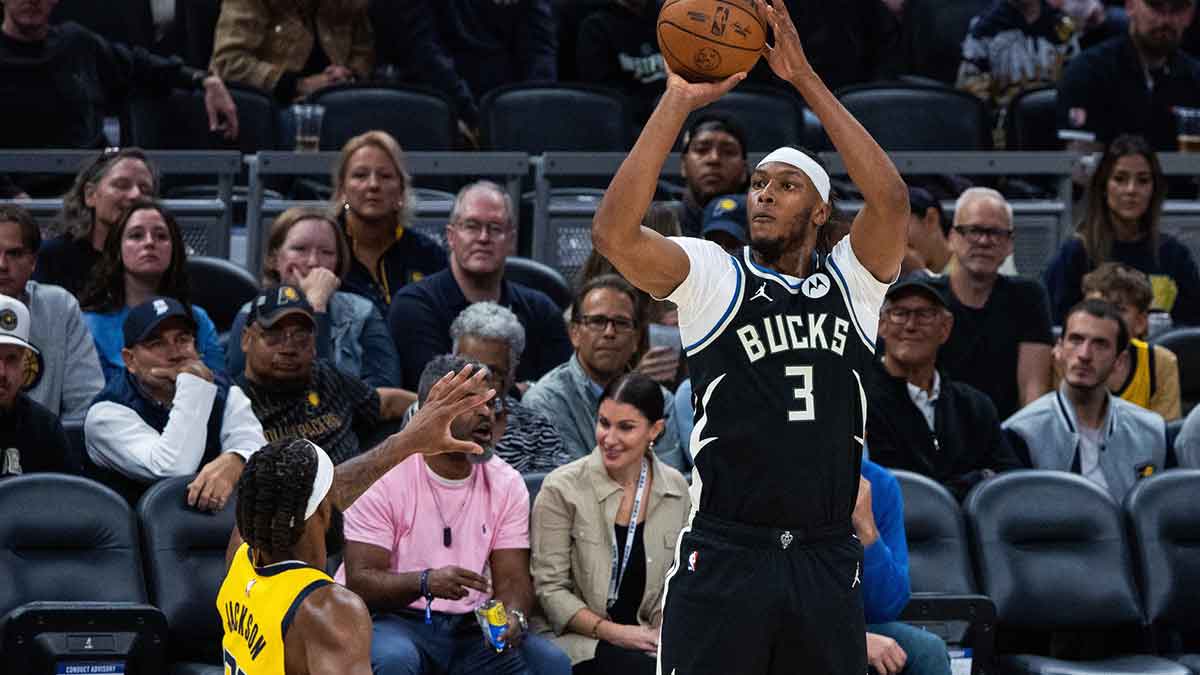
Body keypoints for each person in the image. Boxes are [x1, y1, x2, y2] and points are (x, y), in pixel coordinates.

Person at [589, 0, 910, 670]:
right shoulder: (715, 273)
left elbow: (892, 203)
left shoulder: (856, 282)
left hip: (825, 553)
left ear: (821, 210)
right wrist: (676, 100)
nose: (763, 193)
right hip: (729, 550)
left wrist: (805, 80)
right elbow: (614, 235)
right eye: (759, 181)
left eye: (786, 185)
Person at [339, 354, 572, 675]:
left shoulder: (506, 482)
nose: (485, 414)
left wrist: (513, 617)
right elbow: (360, 581)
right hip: (392, 618)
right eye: (469, 403)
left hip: (469, 625)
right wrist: (425, 582)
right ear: (428, 413)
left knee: (551, 663)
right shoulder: (383, 476)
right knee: (396, 659)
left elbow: (513, 578)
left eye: (491, 404)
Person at [530, 373, 690, 674]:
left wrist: (662, 632)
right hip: (577, 640)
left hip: (647, 637)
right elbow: (550, 591)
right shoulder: (562, 488)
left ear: (655, 430)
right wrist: (622, 635)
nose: (610, 438)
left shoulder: (676, 489)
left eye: (626, 427)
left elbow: (678, 580)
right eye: (604, 423)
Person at [0, 0, 237, 194]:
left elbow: (142, 65)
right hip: (13, 199)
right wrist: (11, 195)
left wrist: (205, 80)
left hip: (87, 192)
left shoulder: (76, 44)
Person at [389, 180, 572, 390]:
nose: (483, 238)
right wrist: (523, 391)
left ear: (511, 239)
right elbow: (438, 393)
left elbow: (560, 393)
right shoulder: (414, 306)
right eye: (472, 226)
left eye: (495, 228)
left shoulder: (542, 310)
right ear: (451, 236)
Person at [84, 296, 264, 507]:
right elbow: (173, 469)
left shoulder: (225, 391)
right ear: (130, 360)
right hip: (137, 533)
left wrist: (237, 460)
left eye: (183, 339)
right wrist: (193, 386)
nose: (175, 353)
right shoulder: (106, 414)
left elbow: (257, 448)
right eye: (157, 343)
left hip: (222, 528)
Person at [218, 439, 373, 675]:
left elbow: (274, 500)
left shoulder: (239, 552)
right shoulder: (327, 610)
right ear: (323, 509)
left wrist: (407, 442)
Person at [867, 278, 1022, 501]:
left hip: (969, 532)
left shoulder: (974, 405)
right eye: (899, 313)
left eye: (924, 314)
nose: (910, 326)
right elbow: (890, 483)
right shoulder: (860, 401)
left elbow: (1010, 479)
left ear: (945, 328)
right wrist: (977, 479)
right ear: (881, 324)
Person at [1004, 299, 1167, 501]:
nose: (1084, 355)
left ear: (1119, 361)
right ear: (1058, 349)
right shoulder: (1021, 433)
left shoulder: (1152, 431)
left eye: (1100, 344)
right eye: (1076, 340)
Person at [523, 275, 687, 473]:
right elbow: (571, 484)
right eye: (597, 321)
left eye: (621, 322)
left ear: (636, 339)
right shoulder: (545, 400)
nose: (609, 332)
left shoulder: (661, 399)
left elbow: (670, 481)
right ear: (574, 333)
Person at [236, 286, 414, 465]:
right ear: (246, 339)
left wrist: (435, 406)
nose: (288, 348)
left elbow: (386, 404)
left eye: (301, 336)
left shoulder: (327, 376)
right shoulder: (235, 404)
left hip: (361, 486)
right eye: (273, 335)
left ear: (314, 344)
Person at [226, 206, 401, 388]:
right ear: (274, 258)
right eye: (300, 249)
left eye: (326, 252)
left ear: (338, 261)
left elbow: (385, 388)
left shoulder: (362, 311)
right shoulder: (250, 313)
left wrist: (317, 305)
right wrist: (315, 305)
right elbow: (239, 391)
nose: (313, 262)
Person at [1043, 135, 1200, 325]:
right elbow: (1054, 328)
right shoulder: (1075, 254)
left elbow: (1191, 332)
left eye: (1143, 180)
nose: (1131, 190)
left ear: (1154, 189)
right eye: (1120, 179)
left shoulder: (1174, 256)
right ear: (1103, 186)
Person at [927, 188, 1053, 419]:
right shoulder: (925, 297)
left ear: (1009, 244)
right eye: (974, 230)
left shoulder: (1028, 298)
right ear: (952, 238)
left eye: (995, 233)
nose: (984, 241)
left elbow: (1033, 395)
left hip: (1005, 438)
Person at [79, 199, 224, 383]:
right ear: (117, 248)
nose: (149, 243)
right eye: (136, 235)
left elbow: (221, 386)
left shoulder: (198, 319)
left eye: (161, 236)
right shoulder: (88, 325)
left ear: (174, 249)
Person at [0, 205, 103, 423]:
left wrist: (50, 445)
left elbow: (86, 406)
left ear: (33, 262)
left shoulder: (59, 307)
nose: (2, 265)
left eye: (15, 254)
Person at [1057, 0, 1200, 153]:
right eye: (1155, 7)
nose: (1165, 20)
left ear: (1190, 16)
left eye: (1177, 9)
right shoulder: (1089, 71)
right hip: (1109, 175)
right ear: (1130, 6)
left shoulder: (1195, 76)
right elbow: (1081, 166)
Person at [332, 131, 448, 315]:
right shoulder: (322, 250)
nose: (373, 185)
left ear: (401, 190)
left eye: (385, 176)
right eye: (360, 175)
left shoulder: (429, 256)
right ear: (342, 190)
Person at [450, 302, 571, 474]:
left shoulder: (537, 430)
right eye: (470, 368)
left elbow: (550, 494)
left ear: (511, 374)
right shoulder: (425, 417)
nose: (479, 382)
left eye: (492, 372)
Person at [857, 459, 953, 675]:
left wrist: (867, 530)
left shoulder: (878, 483)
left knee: (926, 651)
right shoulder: (776, 480)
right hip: (786, 625)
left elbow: (886, 606)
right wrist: (849, 640)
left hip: (854, 622)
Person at [34, 149, 158, 298]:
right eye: (122, 185)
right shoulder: (52, 257)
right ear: (90, 194)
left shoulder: (160, 257)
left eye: (145, 189)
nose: (136, 195)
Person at [956, 0, 1081, 147]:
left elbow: (1077, 81)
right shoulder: (984, 28)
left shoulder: (1061, 25)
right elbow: (970, 94)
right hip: (1007, 132)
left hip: (1055, 125)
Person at [209, 0, 373, 103]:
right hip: (274, 105)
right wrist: (299, 85)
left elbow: (363, 53)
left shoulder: (350, 5)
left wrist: (349, 76)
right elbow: (228, 62)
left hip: (339, 104)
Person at [1080, 263, 1181, 420]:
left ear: (1140, 322)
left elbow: (1164, 434)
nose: (1104, 317)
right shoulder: (1064, 358)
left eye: (1118, 309)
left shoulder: (1161, 362)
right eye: (1096, 307)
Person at [0, 293, 77, 477]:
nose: (1, 373)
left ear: (25, 363)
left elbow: (70, 500)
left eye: (12, 359)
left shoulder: (45, 427)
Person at [576, 0, 666, 124]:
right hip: (632, 123)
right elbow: (605, 97)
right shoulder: (596, 28)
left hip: (681, 110)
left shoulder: (669, 16)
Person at [671, 114, 749, 237]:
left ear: (744, 170)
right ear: (683, 165)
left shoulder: (763, 227)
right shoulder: (654, 220)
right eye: (702, 149)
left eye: (728, 152)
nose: (714, 159)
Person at [1047, 0, 1129, 50]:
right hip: (1086, 36)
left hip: (1105, 18)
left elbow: (1096, 12)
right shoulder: (1055, 11)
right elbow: (1069, 29)